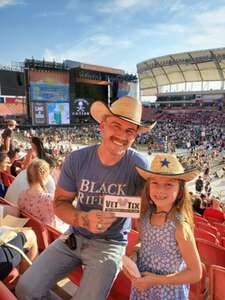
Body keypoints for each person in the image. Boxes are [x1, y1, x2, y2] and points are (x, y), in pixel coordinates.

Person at [15, 96, 155, 300]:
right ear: (102, 125)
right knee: (26, 289)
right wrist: (84, 219)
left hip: (111, 245)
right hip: (74, 236)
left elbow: (148, 214)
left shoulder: (141, 166)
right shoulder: (77, 159)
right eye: (116, 126)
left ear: (135, 136)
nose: (122, 136)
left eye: (130, 131)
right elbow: (60, 203)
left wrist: (138, 250)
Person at [124, 154, 202, 300]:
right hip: (143, 288)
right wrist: (134, 254)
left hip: (167, 293)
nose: (160, 190)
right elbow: (143, 242)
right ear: (148, 187)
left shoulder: (180, 227)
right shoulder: (145, 215)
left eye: (169, 184)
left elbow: (195, 273)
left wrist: (156, 280)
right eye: (155, 183)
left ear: (180, 190)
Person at [18, 159, 56, 227]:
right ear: (45, 176)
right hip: (44, 236)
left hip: (28, 232)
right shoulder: (49, 199)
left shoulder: (22, 195)